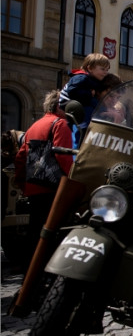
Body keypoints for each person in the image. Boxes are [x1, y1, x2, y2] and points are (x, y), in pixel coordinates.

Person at [13, 90, 74, 271]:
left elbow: (21, 156)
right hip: (53, 188)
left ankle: (30, 270)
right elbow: (64, 157)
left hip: (34, 186)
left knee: (35, 232)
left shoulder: (35, 125)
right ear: (59, 106)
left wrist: (22, 183)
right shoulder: (60, 124)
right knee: (52, 233)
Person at [59, 52, 110, 139]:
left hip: (78, 102)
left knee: (95, 104)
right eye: (102, 69)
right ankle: (84, 128)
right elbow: (72, 90)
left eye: (107, 70)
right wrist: (89, 93)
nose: (105, 73)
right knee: (90, 108)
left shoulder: (91, 79)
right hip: (69, 103)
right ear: (90, 68)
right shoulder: (81, 77)